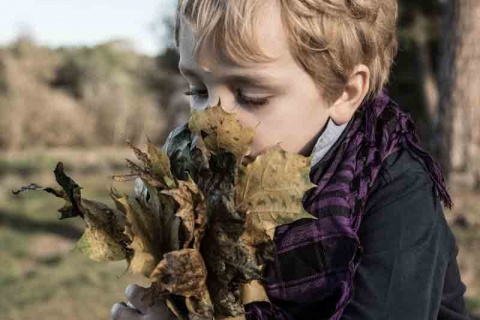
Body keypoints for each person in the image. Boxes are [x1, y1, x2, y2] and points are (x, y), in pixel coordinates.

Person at [111, 0, 470, 319]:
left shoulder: (395, 189)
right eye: (198, 91)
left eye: (251, 96)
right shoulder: (212, 182)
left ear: (346, 91)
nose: (210, 125)